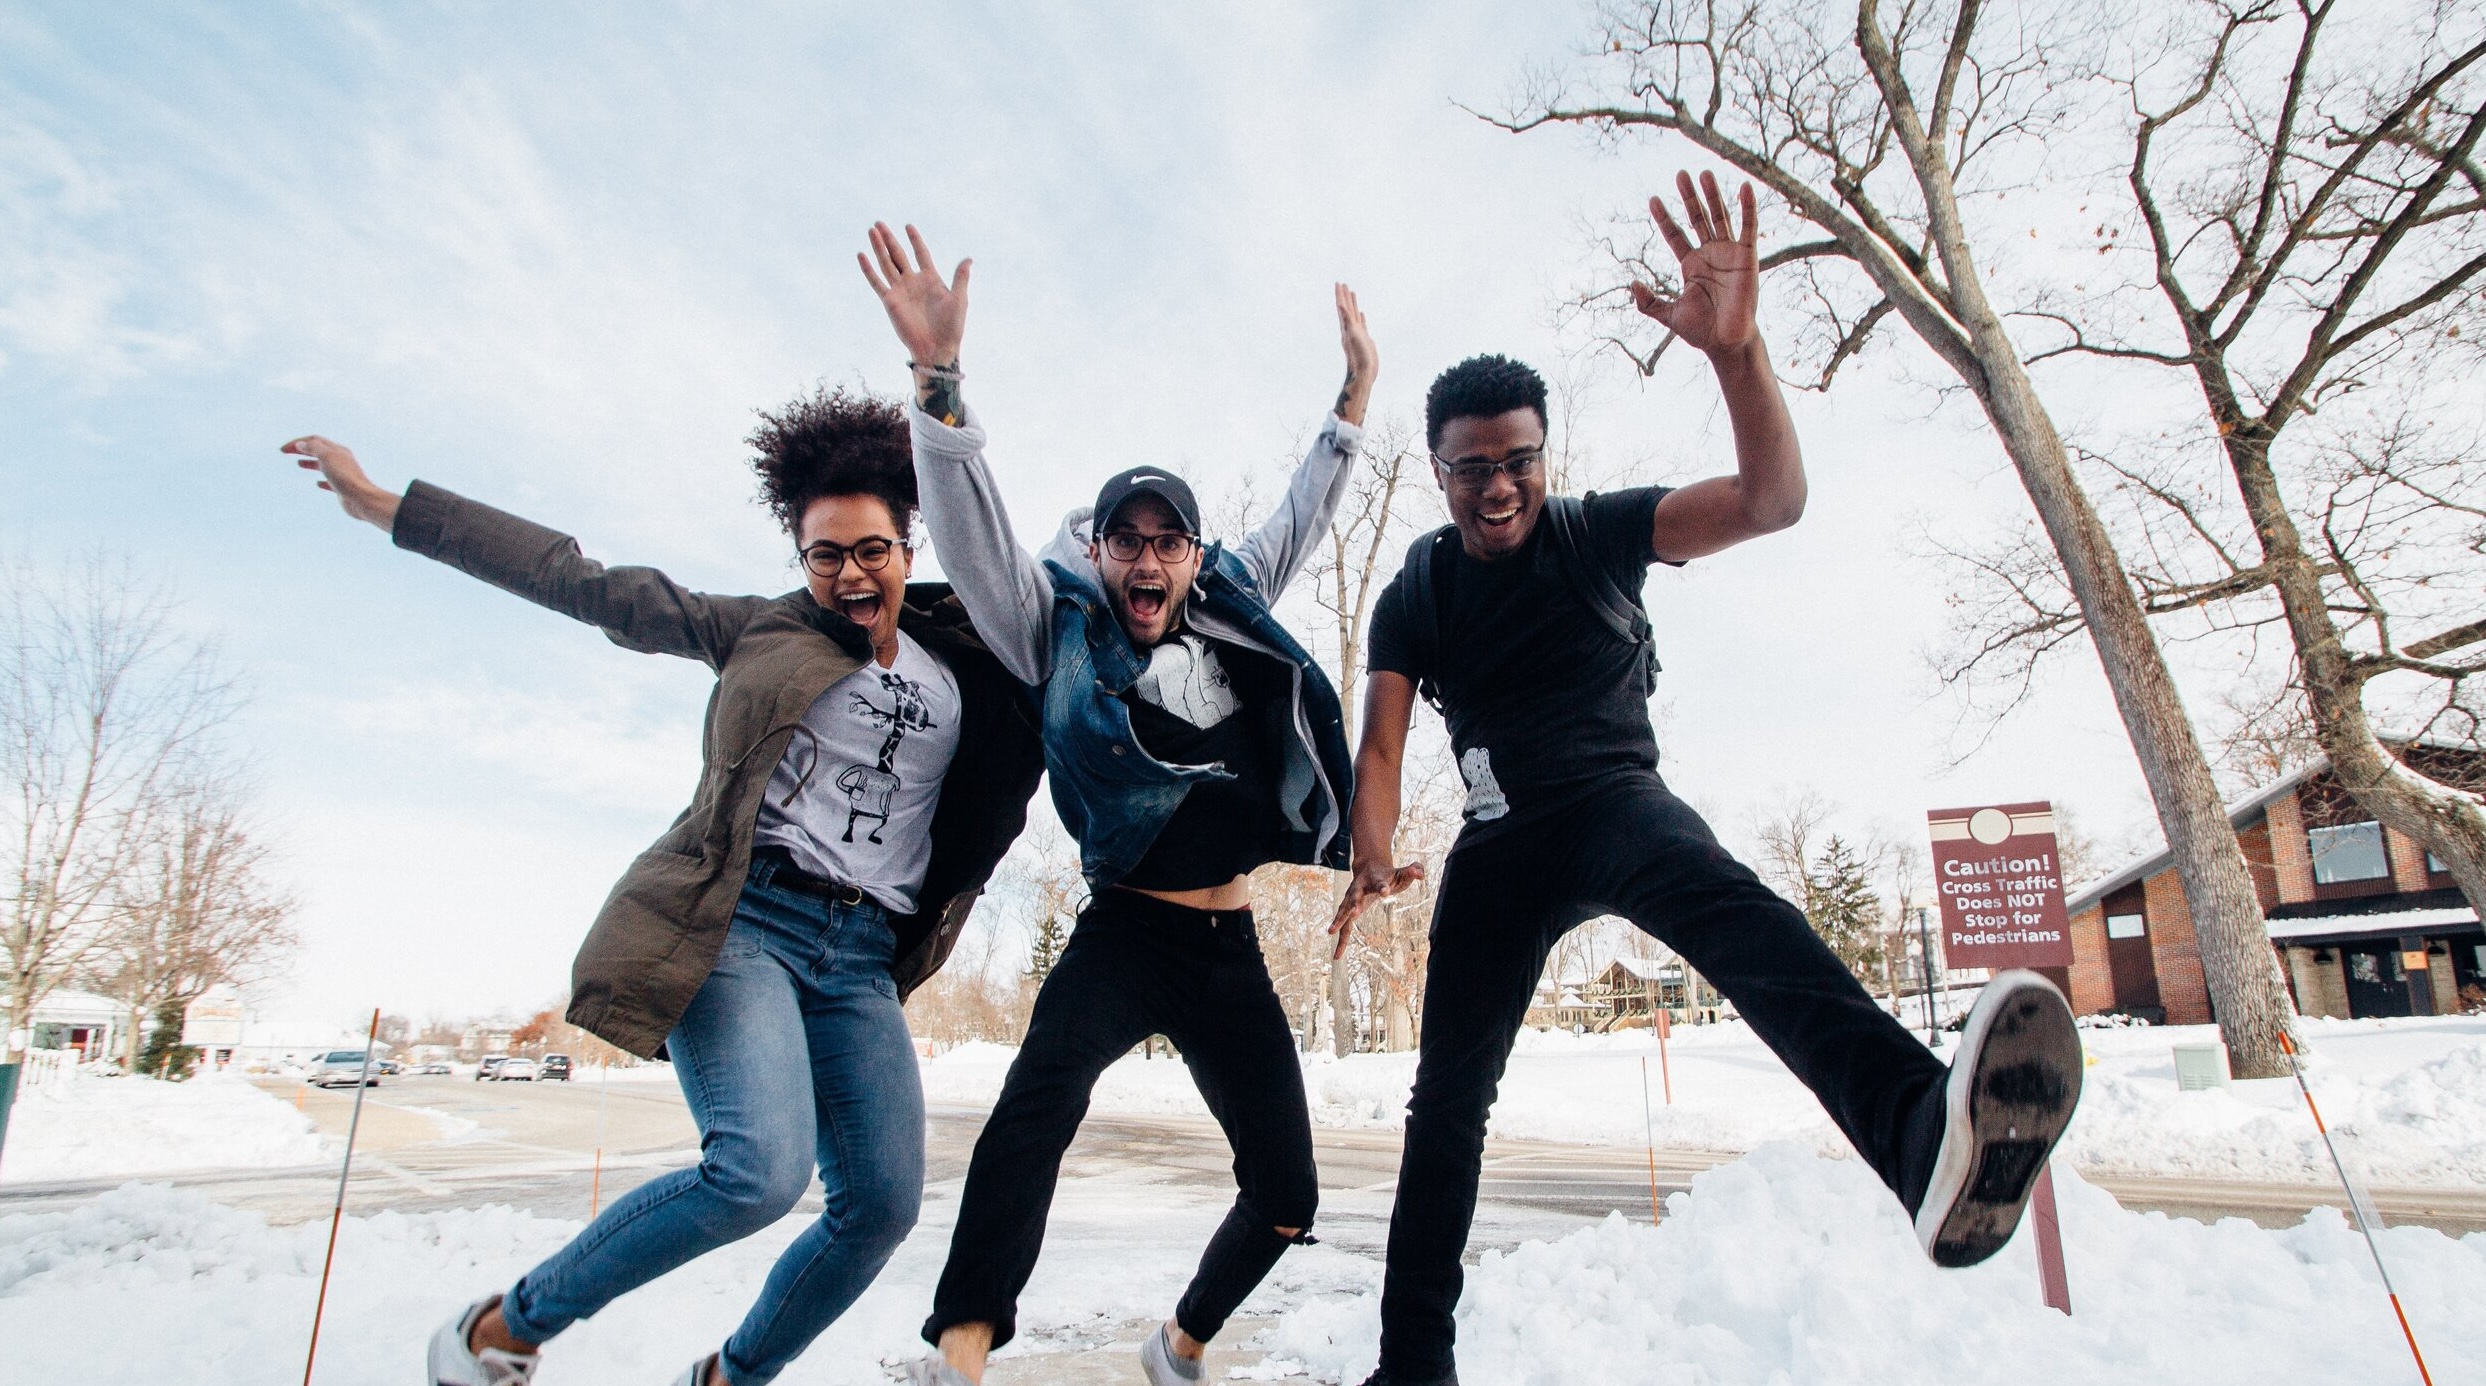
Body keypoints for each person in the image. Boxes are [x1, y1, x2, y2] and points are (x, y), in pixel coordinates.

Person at [1329, 172, 2083, 1386]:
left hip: (1616, 803)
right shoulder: (1415, 588)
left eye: (1516, 458)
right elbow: (1380, 741)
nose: (1498, 487)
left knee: (1743, 922)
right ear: (1435, 470)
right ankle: (1410, 1366)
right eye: (1470, 468)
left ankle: (1918, 1133)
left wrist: (1735, 358)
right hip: (1500, 838)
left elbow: (1769, 501)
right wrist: (1370, 848)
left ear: (1542, 451)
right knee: (1445, 1104)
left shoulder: (1597, 531)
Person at [278, 387, 1044, 1386]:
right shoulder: (761, 632)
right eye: (824, 555)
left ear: (906, 548)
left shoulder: (969, 658)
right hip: (738, 927)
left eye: (871, 550)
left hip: (860, 958)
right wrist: (389, 507)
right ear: (801, 563)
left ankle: (733, 1375)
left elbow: (1058, 623)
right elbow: (578, 580)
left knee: (883, 1209)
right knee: (756, 1174)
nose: (850, 573)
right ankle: (506, 1326)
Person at [855, 223, 1373, 1386]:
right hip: (1124, 930)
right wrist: (938, 390)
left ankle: (1179, 1344)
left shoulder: (1231, 609)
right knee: (1034, 1109)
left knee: (1286, 1194)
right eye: (1124, 543)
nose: (1145, 564)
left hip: (1225, 943)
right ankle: (962, 1347)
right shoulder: (1054, 626)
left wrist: (1350, 400)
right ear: (1097, 552)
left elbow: (1300, 516)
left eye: (1166, 544)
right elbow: (979, 532)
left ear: (1192, 556)